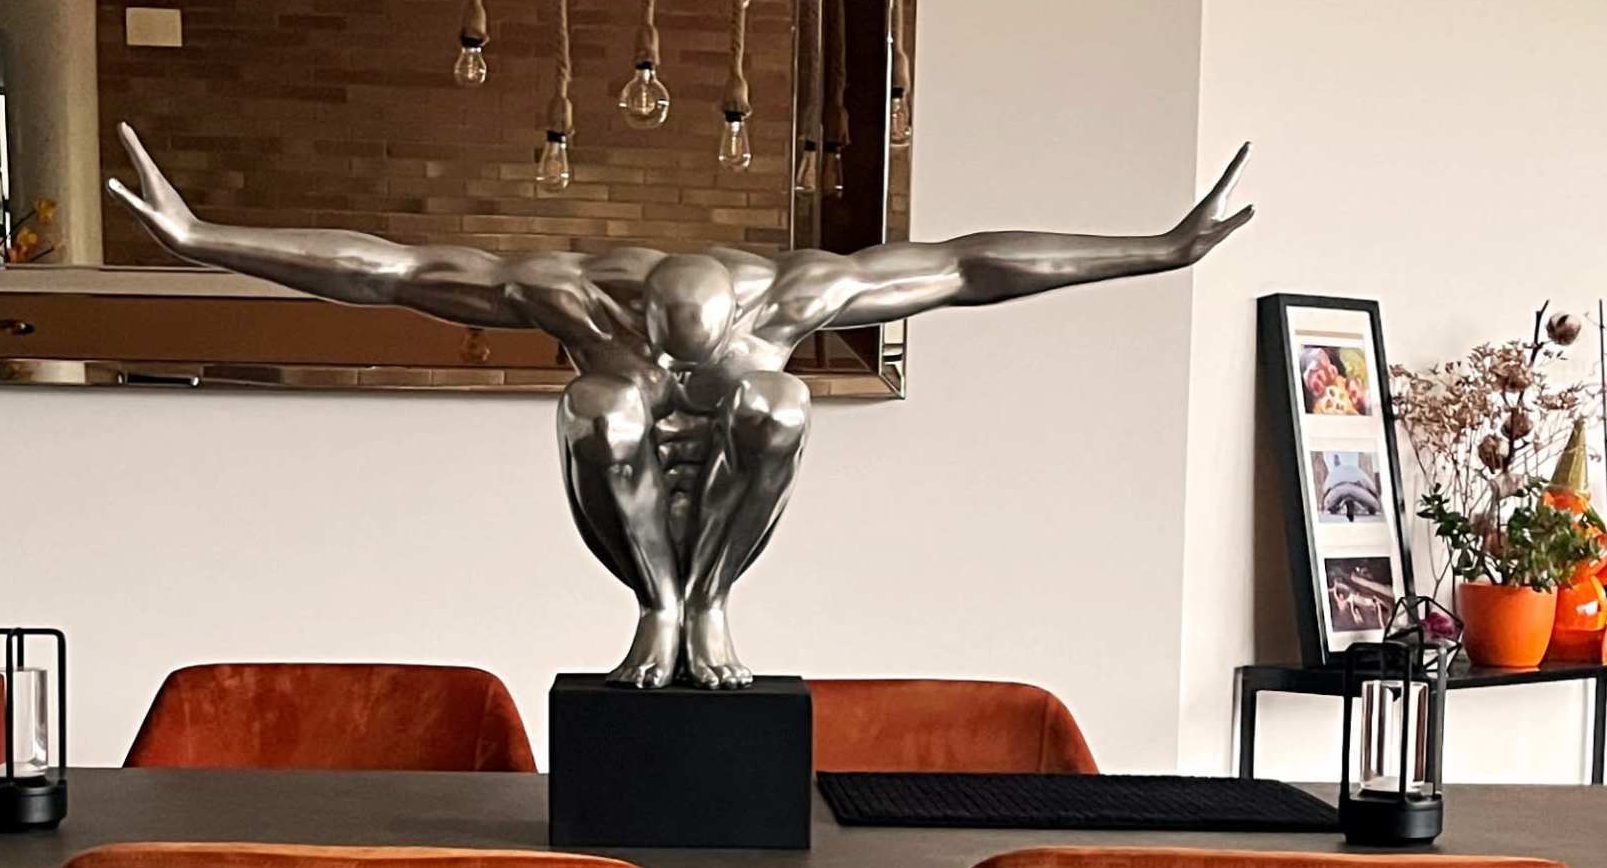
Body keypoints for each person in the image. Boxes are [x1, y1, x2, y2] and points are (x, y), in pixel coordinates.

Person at [105, 127, 1254, 687]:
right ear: (640, 318)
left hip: (737, 487)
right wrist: (209, 239)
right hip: (618, 482)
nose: (680, 381)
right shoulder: (571, 299)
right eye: (669, 356)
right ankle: (660, 605)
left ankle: (707, 604)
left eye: (690, 361)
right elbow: (387, 269)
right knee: (603, 409)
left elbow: (971, 266)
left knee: (782, 405)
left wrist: (1155, 250)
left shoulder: (797, 299)